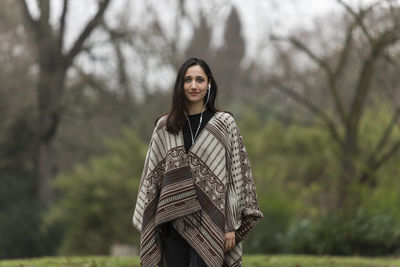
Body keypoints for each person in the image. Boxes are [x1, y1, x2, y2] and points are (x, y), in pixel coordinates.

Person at [132, 57, 263, 267]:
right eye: (188, 80)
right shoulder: (165, 127)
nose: (193, 85)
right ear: (180, 85)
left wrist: (230, 225)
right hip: (171, 224)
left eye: (200, 80)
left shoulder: (224, 124)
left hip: (212, 222)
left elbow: (235, 177)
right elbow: (151, 180)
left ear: (209, 84)